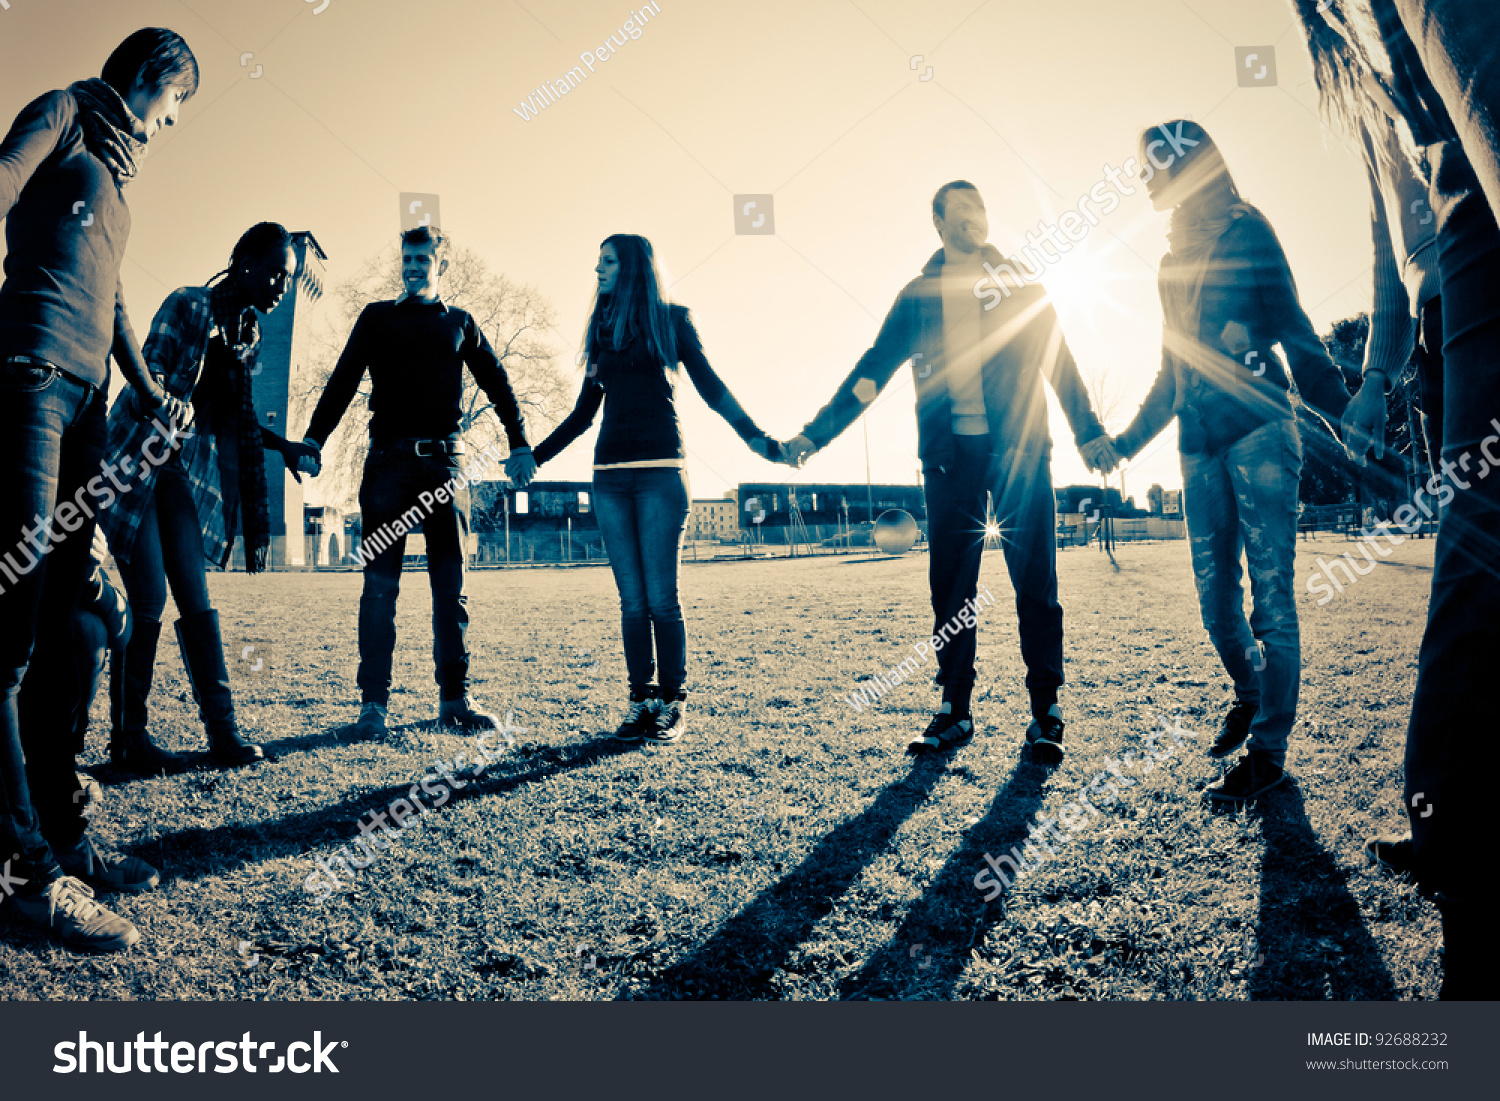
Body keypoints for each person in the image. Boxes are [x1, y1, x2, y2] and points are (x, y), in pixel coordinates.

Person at [1290, 0, 1500, 999]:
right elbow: (1385, 233)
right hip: (1458, 262)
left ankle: (1450, 813)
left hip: (1485, 241)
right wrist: (1375, 375)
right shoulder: (1352, 42)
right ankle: (1449, 813)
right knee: (1475, 535)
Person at [783, 182, 1119, 761]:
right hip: (948, 461)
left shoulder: (1022, 284)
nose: (974, 217)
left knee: (1035, 582)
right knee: (951, 590)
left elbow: (1057, 359)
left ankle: (1046, 713)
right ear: (937, 222)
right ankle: (954, 712)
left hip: (1019, 453)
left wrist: (1088, 431)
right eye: (959, 209)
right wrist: (817, 432)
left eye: (980, 207)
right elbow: (873, 369)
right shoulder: (918, 296)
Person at [0, 27, 198, 951]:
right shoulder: (68, 113)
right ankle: (22, 871)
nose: (168, 126)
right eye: (174, 104)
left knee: (76, 619)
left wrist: (155, 395)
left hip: (87, 402)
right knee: (10, 621)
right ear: (151, 76)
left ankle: (65, 834)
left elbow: (113, 297)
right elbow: (2, 177)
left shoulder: (117, 183)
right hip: (28, 379)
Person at [1109, 121, 1350, 804]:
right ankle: (1250, 692)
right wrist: (1124, 444)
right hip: (1197, 440)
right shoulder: (1167, 264)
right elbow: (1170, 370)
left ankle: (1268, 753)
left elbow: (1299, 333)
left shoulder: (1248, 232)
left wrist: (1344, 407)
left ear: (1187, 165)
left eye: (1152, 165)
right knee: (1216, 604)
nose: (1144, 179)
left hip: (1261, 428)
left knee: (1271, 597)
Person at [531, 234, 780, 745]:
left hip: (662, 472)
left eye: (607, 262)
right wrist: (533, 458)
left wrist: (758, 438)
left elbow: (711, 387)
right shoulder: (602, 330)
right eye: (597, 260)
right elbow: (584, 413)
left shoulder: (672, 320)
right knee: (631, 602)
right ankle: (640, 701)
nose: (597, 269)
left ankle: (672, 703)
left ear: (633, 268)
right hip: (609, 478)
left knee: (662, 599)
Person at [299, 226, 536, 740]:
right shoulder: (376, 318)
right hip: (387, 469)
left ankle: (455, 701)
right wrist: (314, 440)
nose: (412, 266)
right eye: (406, 258)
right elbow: (342, 380)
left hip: (446, 473)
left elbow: (498, 383)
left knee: (450, 590)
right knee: (379, 589)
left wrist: (519, 444)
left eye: (423, 259)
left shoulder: (460, 323)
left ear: (441, 266)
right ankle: (373, 709)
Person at [99, 222, 318, 774]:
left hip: (181, 473)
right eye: (274, 273)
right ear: (243, 262)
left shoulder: (248, 337)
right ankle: (129, 739)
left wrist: (282, 446)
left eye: (289, 280)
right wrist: (171, 401)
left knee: (194, 597)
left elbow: (233, 418)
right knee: (148, 596)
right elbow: (144, 367)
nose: (280, 287)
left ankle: (223, 734)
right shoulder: (189, 305)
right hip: (138, 456)